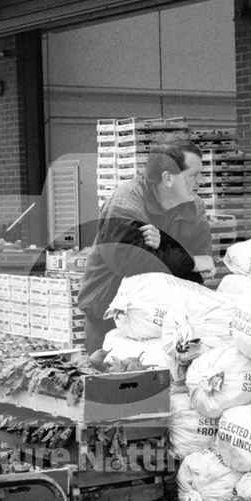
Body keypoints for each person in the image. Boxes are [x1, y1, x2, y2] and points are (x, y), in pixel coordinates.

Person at [78, 138, 215, 351]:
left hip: (168, 320)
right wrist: (188, 261)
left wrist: (164, 247)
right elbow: (131, 265)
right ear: (168, 178)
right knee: (115, 379)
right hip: (112, 315)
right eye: (194, 175)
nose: (202, 181)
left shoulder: (194, 207)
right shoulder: (125, 202)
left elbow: (205, 265)